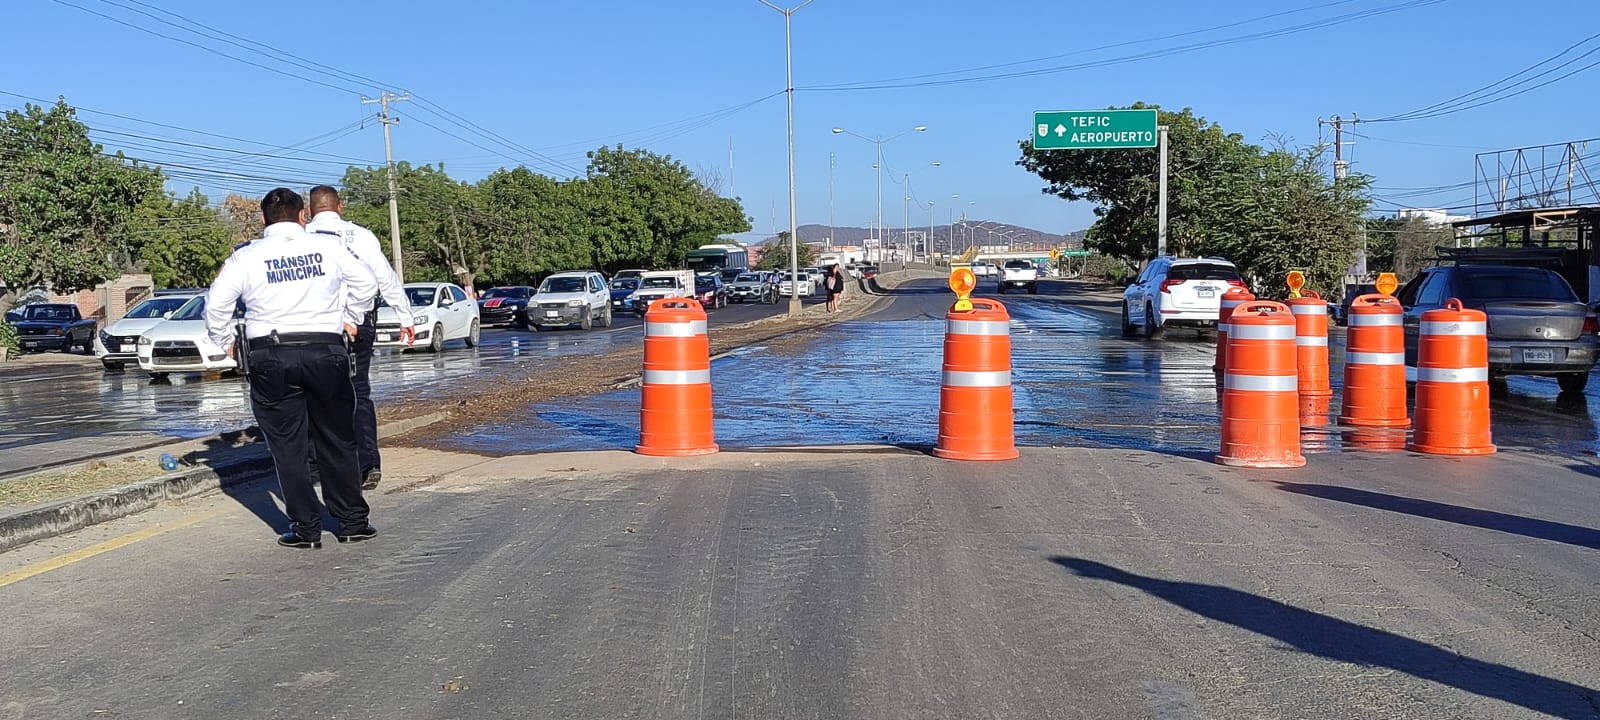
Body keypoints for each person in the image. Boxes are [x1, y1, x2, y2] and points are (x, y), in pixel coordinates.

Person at [205, 188, 381, 549]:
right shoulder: (329, 247)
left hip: (270, 356)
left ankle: (306, 529)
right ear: (303, 216)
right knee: (337, 438)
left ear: (263, 218)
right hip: (325, 350)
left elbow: (216, 305)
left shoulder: (246, 256)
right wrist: (350, 318)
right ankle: (351, 522)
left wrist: (226, 342)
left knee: (288, 447)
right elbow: (367, 284)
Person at [305, 185, 413, 491]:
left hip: (316, 326)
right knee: (358, 391)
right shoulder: (362, 236)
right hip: (360, 323)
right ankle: (367, 465)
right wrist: (405, 316)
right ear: (340, 207)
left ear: (309, 210)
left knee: (314, 394)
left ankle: (316, 467)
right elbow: (384, 278)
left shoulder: (302, 237)